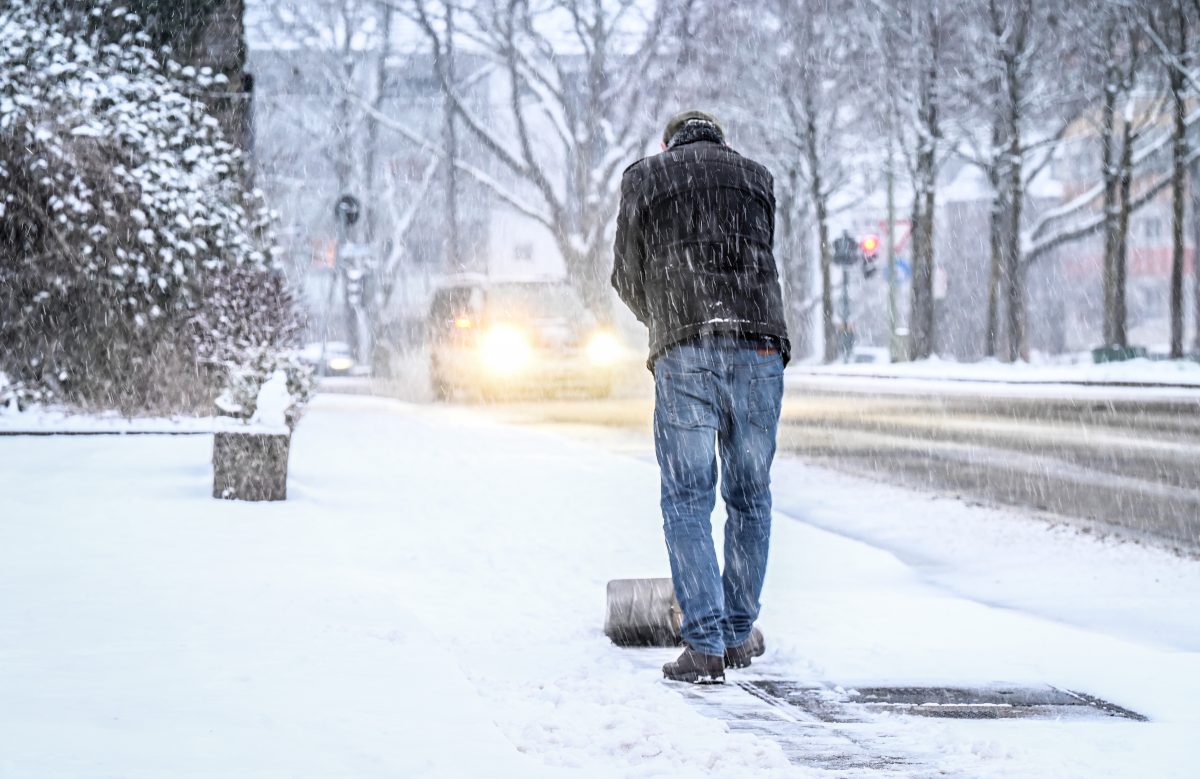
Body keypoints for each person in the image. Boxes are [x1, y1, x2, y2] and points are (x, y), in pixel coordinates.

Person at [612, 110, 790, 684]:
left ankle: (706, 643)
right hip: (761, 347)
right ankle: (739, 632)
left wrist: (664, 320)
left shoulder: (645, 178)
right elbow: (761, 260)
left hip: (686, 347)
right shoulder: (756, 178)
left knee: (688, 498)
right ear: (723, 142)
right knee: (751, 495)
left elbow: (626, 274)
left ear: (667, 144)